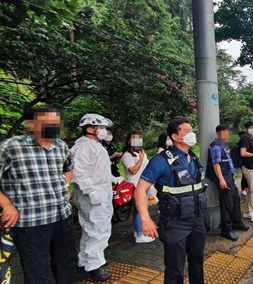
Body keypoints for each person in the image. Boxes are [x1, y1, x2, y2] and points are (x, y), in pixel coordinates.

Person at [0, 106, 78, 283]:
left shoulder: (60, 145)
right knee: (38, 271)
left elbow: (68, 168)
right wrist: (6, 205)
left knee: (66, 265)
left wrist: (65, 187)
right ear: (31, 124)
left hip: (62, 217)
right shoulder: (11, 147)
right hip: (31, 222)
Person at [135, 118, 206, 284]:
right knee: (175, 270)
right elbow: (139, 190)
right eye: (187, 131)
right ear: (175, 136)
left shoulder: (193, 158)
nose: (192, 133)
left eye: (192, 130)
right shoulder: (161, 161)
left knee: (197, 263)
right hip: (175, 223)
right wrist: (145, 219)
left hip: (196, 220)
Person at [70, 113, 123, 281]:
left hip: (99, 190)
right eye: (102, 128)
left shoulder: (94, 145)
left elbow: (97, 169)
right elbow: (79, 171)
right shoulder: (85, 147)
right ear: (90, 129)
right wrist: (91, 191)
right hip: (92, 193)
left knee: (90, 228)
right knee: (99, 230)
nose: (105, 131)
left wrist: (112, 178)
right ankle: (94, 265)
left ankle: (84, 260)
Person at [207, 124, 249, 241]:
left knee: (235, 201)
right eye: (227, 133)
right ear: (220, 134)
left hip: (229, 178)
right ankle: (226, 230)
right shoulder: (216, 147)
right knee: (227, 205)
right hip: (224, 180)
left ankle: (237, 223)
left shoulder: (222, 146)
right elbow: (216, 165)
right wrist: (221, 180)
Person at [121, 131, 154, 243]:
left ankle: (138, 231)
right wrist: (141, 158)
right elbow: (133, 170)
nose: (137, 141)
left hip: (144, 184)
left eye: (139, 138)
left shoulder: (141, 153)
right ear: (129, 141)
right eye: (134, 138)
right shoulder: (127, 155)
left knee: (142, 209)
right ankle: (140, 234)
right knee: (140, 210)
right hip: (135, 186)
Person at [240, 122, 253, 223]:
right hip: (249, 167)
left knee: (251, 191)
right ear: (246, 129)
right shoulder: (245, 138)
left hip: (251, 167)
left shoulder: (250, 139)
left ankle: (248, 211)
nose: (252, 129)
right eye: (250, 127)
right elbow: (243, 153)